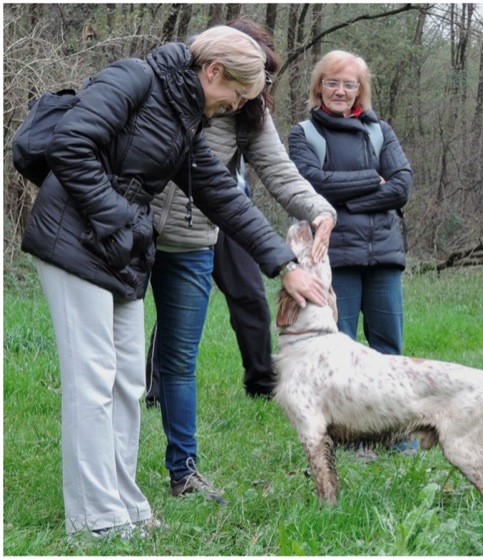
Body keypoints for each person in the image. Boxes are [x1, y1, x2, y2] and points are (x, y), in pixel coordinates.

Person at [20, 25, 328, 539]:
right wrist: (121, 215)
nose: (234, 106)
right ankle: (94, 522)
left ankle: (125, 509)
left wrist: (284, 264)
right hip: (73, 241)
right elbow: (70, 145)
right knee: (93, 380)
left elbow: (224, 196)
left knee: (127, 382)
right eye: (235, 94)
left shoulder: (184, 116)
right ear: (213, 72)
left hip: (119, 250)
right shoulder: (134, 79)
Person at [144, 19, 336, 505]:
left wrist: (319, 210)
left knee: (180, 362)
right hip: (133, 232)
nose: (249, 92)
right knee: (119, 361)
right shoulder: (167, 92)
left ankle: (183, 473)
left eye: (260, 81)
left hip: (192, 240)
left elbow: (277, 170)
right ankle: (111, 474)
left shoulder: (250, 112)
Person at [288, 49, 414, 458]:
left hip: (384, 257)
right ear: (318, 87)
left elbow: (402, 187)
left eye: (349, 83)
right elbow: (310, 185)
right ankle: (354, 439)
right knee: (340, 353)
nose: (340, 91)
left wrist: (346, 206)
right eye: (332, 82)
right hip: (334, 258)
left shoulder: (380, 131)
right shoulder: (303, 134)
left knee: (389, 350)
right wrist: (369, 182)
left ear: (361, 89)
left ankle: (397, 434)